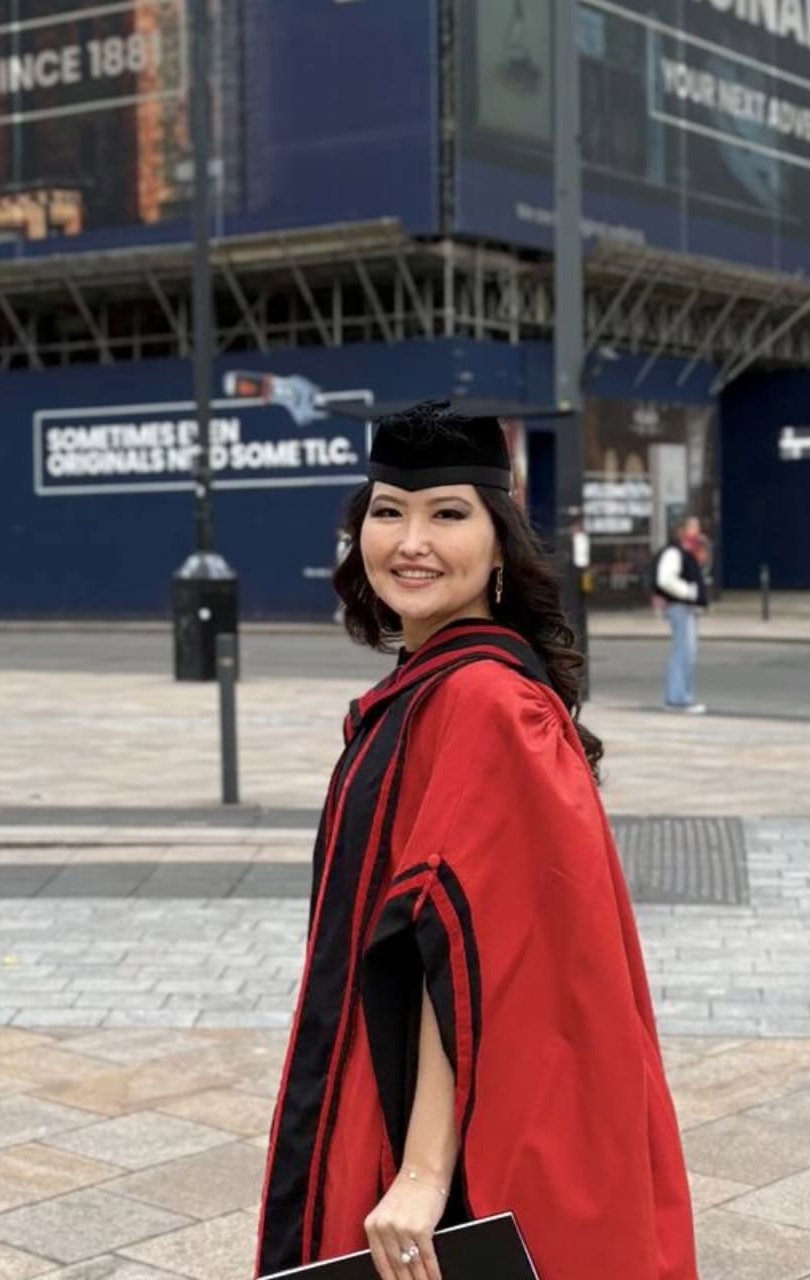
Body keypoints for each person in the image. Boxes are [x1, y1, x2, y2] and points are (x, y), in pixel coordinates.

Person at [257, 402, 695, 1280]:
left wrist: (423, 1173)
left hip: (449, 1124)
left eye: (447, 514)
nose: (410, 540)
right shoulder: (431, 683)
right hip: (381, 1084)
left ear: (499, 545)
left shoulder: (489, 703)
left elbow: (469, 954)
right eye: (388, 511)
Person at [655, 514, 708, 714]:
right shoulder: (674, 552)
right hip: (680, 608)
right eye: (694, 527)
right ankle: (678, 699)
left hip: (687, 608)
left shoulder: (687, 551)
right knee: (683, 653)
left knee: (687, 653)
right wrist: (688, 592)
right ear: (683, 530)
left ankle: (682, 696)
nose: (698, 532)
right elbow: (665, 579)